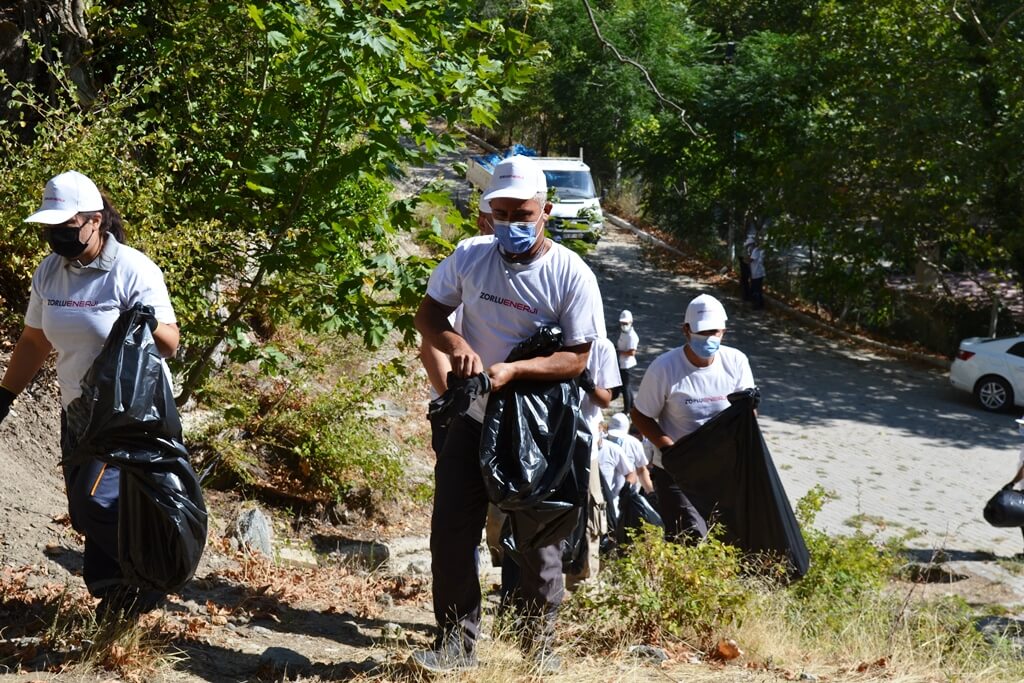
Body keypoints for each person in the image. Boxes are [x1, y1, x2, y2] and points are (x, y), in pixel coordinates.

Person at [412, 155, 605, 673]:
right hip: (473, 420)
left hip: (535, 431)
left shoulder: (570, 274)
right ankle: (455, 645)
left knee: (537, 539)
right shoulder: (471, 258)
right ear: (487, 215)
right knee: (451, 532)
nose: (512, 225)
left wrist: (514, 372)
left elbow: (578, 357)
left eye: (522, 214)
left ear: (546, 210)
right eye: (501, 215)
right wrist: (456, 345)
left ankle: (536, 651)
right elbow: (428, 313)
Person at [0, 171, 179, 617]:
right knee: (84, 514)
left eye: (66, 226)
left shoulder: (132, 269)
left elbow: (171, 343)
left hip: (132, 415)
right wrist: (4, 395)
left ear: (95, 221)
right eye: (49, 227)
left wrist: (144, 321)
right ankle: (116, 598)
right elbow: (35, 342)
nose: (55, 235)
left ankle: (153, 573)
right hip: (76, 410)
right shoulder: (50, 272)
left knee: (96, 501)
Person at [631, 293, 755, 540]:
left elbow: (747, 415)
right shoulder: (664, 368)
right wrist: (670, 449)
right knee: (688, 537)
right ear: (686, 330)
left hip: (722, 470)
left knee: (727, 540)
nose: (709, 338)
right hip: (677, 471)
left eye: (714, 332)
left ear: (724, 332)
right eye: (702, 332)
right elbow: (640, 416)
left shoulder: (736, 362)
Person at [565, 336, 620, 589]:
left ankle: (582, 584)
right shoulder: (546, 328)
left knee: (590, 516)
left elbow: (606, 398)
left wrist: (588, 384)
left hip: (586, 447)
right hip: (549, 441)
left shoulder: (602, 346)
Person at [606, 412, 654, 496]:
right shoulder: (600, 442)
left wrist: (650, 492)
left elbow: (641, 470)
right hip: (604, 495)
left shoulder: (633, 443)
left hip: (627, 495)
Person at [616, 309, 639, 413]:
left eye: (625, 323)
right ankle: (632, 406)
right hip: (623, 363)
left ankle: (627, 410)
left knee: (625, 388)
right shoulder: (624, 332)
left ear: (631, 322)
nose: (623, 325)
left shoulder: (632, 336)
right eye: (622, 323)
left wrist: (619, 352)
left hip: (627, 365)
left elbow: (632, 352)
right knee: (627, 387)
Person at [749, 232, 765, 310]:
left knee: (756, 290)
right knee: (758, 289)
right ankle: (760, 303)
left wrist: (745, 260)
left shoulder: (755, 250)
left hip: (757, 273)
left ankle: (757, 304)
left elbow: (751, 260)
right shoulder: (758, 250)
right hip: (758, 272)